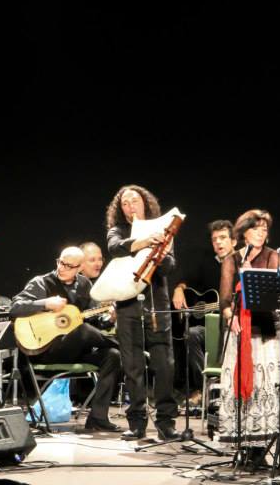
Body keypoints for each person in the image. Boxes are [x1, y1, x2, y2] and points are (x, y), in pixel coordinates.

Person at [11, 246, 122, 432]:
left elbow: (94, 322)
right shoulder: (41, 283)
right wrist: (44, 303)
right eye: (61, 262)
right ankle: (128, 349)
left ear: (80, 268)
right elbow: (15, 308)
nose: (62, 268)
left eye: (69, 266)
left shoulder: (85, 285)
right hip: (46, 350)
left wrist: (109, 319)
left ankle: (98, 418)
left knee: (112, 355)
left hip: (75, 350)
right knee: (83, 330)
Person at [105, 184, 181, 441]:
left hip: (156, 304)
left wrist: (160, 253)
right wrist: (145, 242)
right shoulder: (118, 230)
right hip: (128, 305)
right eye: (125, 203)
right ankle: (137, 422)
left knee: (164, 365)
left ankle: (166, 422)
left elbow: (169, 266)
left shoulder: (163, 229)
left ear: (145, 203)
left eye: (134, 201)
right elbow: (115, 248)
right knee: (133, 366)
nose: (130, 207)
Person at [217, 209, 280, 458]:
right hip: (242, 331)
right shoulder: (232, 259)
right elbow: (225, 299)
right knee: (242, 388)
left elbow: (273, 296)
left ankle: (266, 446)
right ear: (244, 232)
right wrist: (229, 315)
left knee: (266, 387)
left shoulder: (273, 256)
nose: (261, 233)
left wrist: (251, 276)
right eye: (256, 228)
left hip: (268, 331)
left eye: (264, 229)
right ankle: (245, 445)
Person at [171, 219, 235, 406]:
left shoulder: (241, 265)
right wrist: (179, 289)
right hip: (212, 330)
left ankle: (223, 391)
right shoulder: (207, 264)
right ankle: (205, 389)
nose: (218, 242)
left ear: (234, 241)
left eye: (223, 238)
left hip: (233, 328)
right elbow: (187, 281)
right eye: (215, 239)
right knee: (191, 333)